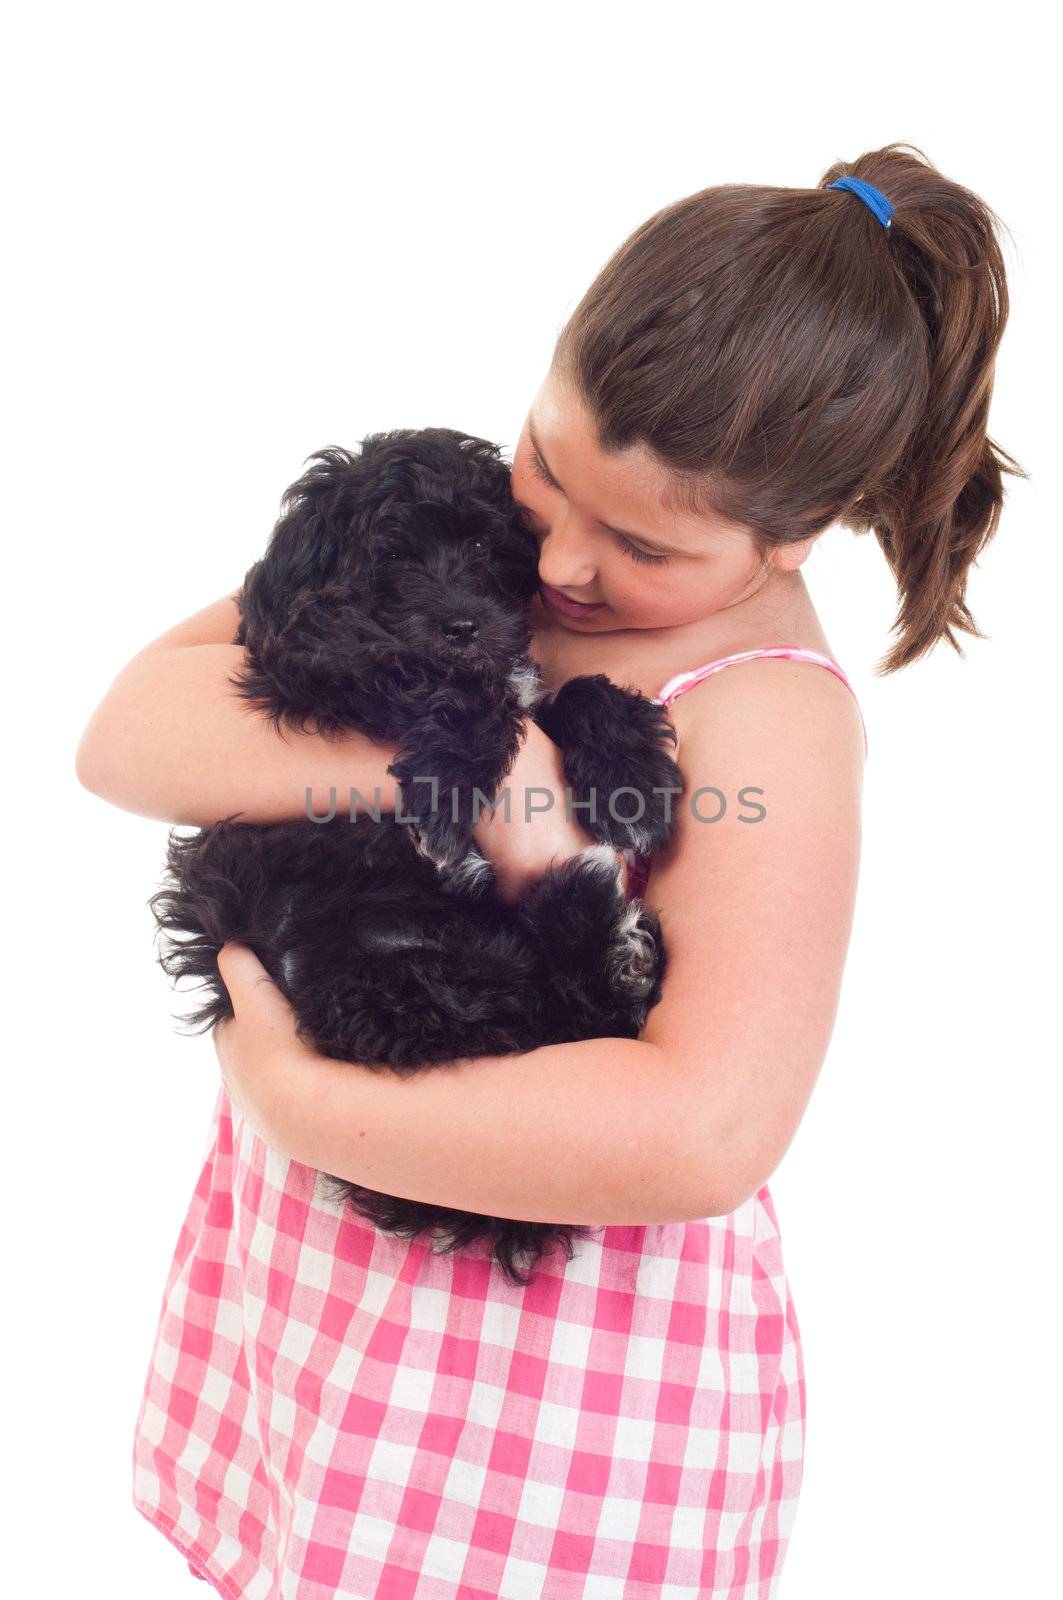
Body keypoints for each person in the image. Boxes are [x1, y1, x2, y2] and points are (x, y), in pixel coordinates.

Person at [76, 142, 1022, 1598]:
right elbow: (130, 735)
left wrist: (311, 1104)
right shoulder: (477, 532)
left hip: (551, 1390)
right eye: (546, 461)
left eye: (639, 542)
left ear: (789, 537)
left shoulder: (769, 712)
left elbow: (708, 1133)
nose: (562, 561)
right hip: (339, 1306)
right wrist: (448, 759)